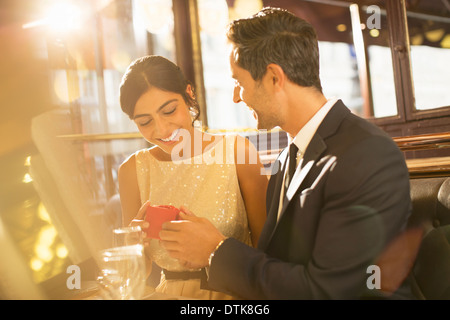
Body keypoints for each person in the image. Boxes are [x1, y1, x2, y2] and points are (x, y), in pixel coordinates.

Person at [159, 7, 415, 299]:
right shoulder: (286, 159)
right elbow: (276, 266)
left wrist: (216, 251)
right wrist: (204, 255)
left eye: (238, 82)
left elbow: (328, 293)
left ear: (273, 78)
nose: (235, 96)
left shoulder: (367, 155)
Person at [117, 55, 268, 299]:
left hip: (236, 294)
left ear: (189, 94)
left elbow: (268, 255)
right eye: (145, 122)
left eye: (169, 111)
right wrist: (134, 248)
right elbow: (136, 274)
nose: (162, 130)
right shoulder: (132, 170)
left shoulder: (237, 152)